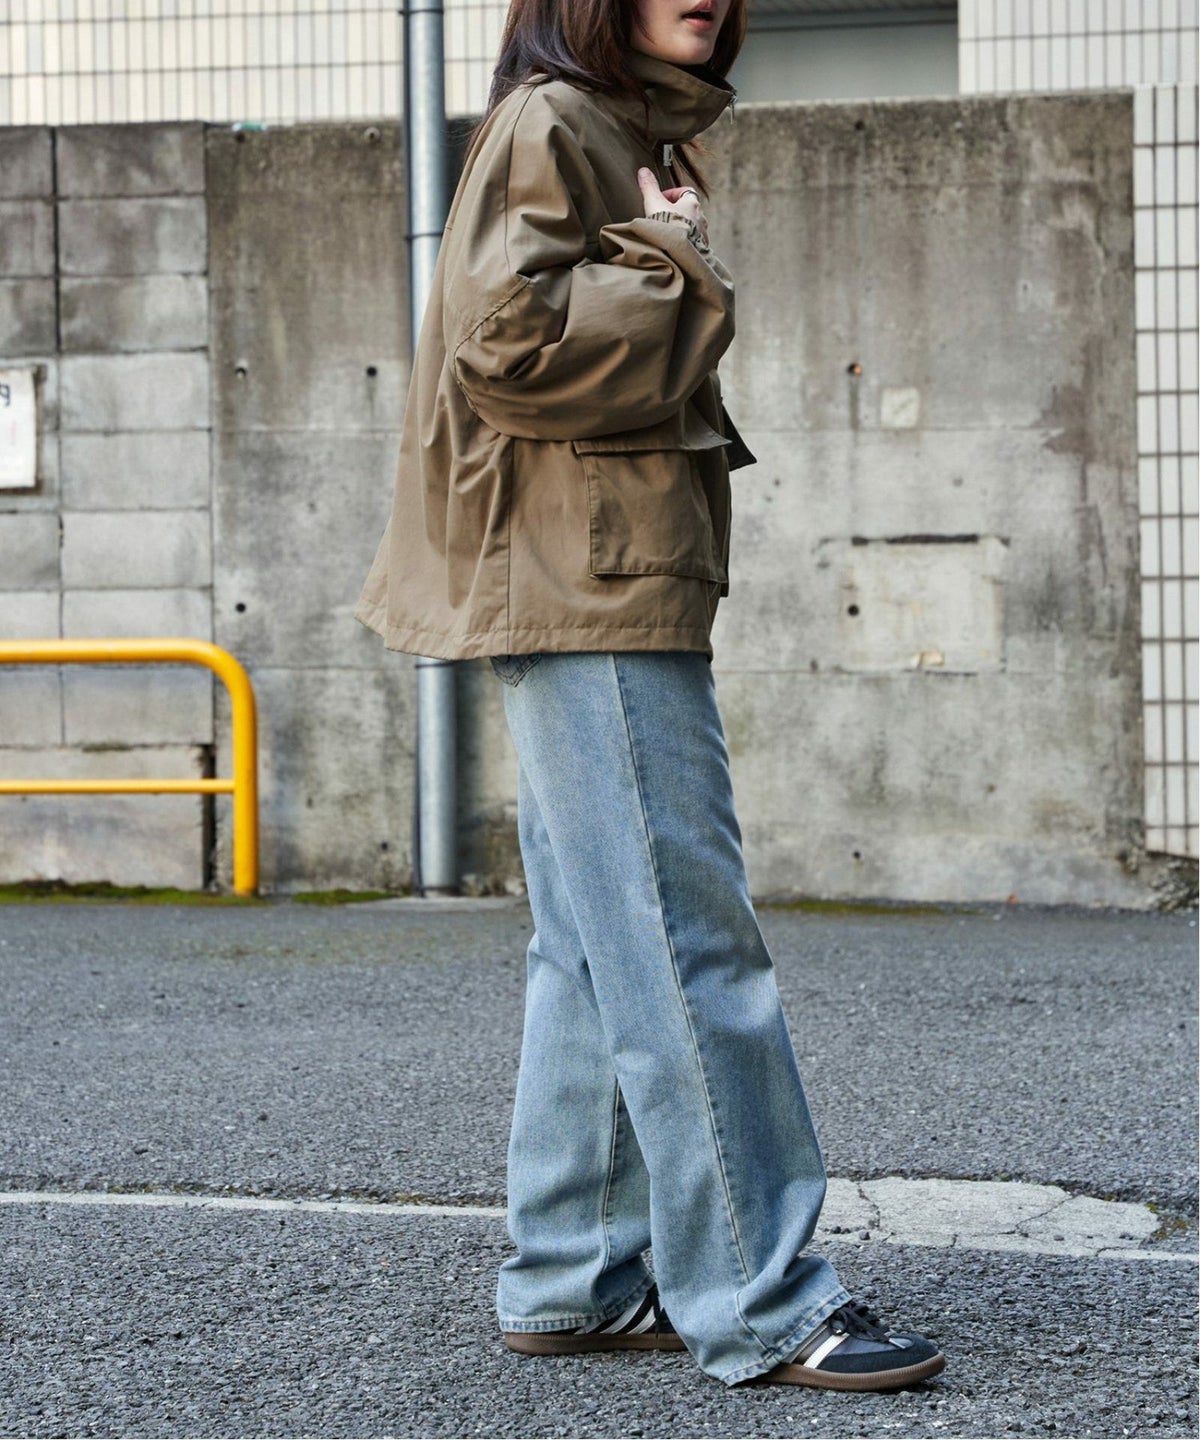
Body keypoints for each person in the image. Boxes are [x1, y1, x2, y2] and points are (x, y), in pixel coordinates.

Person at [355, 0, 946, 1394]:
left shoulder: (607, 127)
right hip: (587, 583)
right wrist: (675, 258)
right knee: (686, 941)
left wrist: (660, 247)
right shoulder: (557, 123)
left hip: (596, 574)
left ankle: (574, 1280)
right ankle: (762, 1297)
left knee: (596, 946)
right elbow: (508, 344)